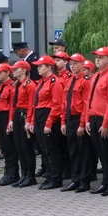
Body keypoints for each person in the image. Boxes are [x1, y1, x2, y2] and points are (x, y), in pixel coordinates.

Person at [83, 47, 108, 196]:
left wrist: (106, 123)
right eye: (96, 57)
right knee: (101, 154)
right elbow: (89, 99)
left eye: (101, 57)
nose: (97, 59)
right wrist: (87, 119)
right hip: (93, 118)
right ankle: (105, 182)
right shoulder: (95, 76)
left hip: (103, 119)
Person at [30, 55, 66, 190]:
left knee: (52, 149)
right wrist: (34, 121)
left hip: (49, 115)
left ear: (49, 67)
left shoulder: (55, 82)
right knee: (44, 149)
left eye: (41, 66)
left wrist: (49, 123)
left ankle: (56, 178)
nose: (38, 68)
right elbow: (36, 103)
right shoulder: (42, 82)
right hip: (40, 114)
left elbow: (57, 105)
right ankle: (49, 175)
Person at [61, 54, 90, 192]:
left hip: (79, 117)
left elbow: (86, 104)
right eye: (70, 64)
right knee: (73, 151)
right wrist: (63, 121)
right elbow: (64, 102)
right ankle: (75, 179)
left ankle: (84, 180)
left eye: (75, 63)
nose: (72, 66)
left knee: (83, 151)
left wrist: (82, 124)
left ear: (82, 64)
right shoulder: (68, 80)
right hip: (70, 117)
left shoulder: (85, 81)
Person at [8, 60, 38, 188]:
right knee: (19, 147)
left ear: (24, 70)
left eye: (16, 69)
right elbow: (12, 105)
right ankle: (24, 173)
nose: (13, 71)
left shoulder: (30, 85)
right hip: (17, 115)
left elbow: (32, 104)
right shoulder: (17, 85)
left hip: (25, 115)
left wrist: (29, 120)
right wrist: (10, 120)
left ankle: (30, 175)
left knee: (27, 148)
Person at [0, 62, 18, 185]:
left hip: (7, 117)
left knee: (10, 147)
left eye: (0, 73)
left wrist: (10, 121)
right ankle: (9, 172)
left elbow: (12, 105)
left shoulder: (12, 86)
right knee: (5, 147)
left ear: (7, 73)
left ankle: (13, 173)